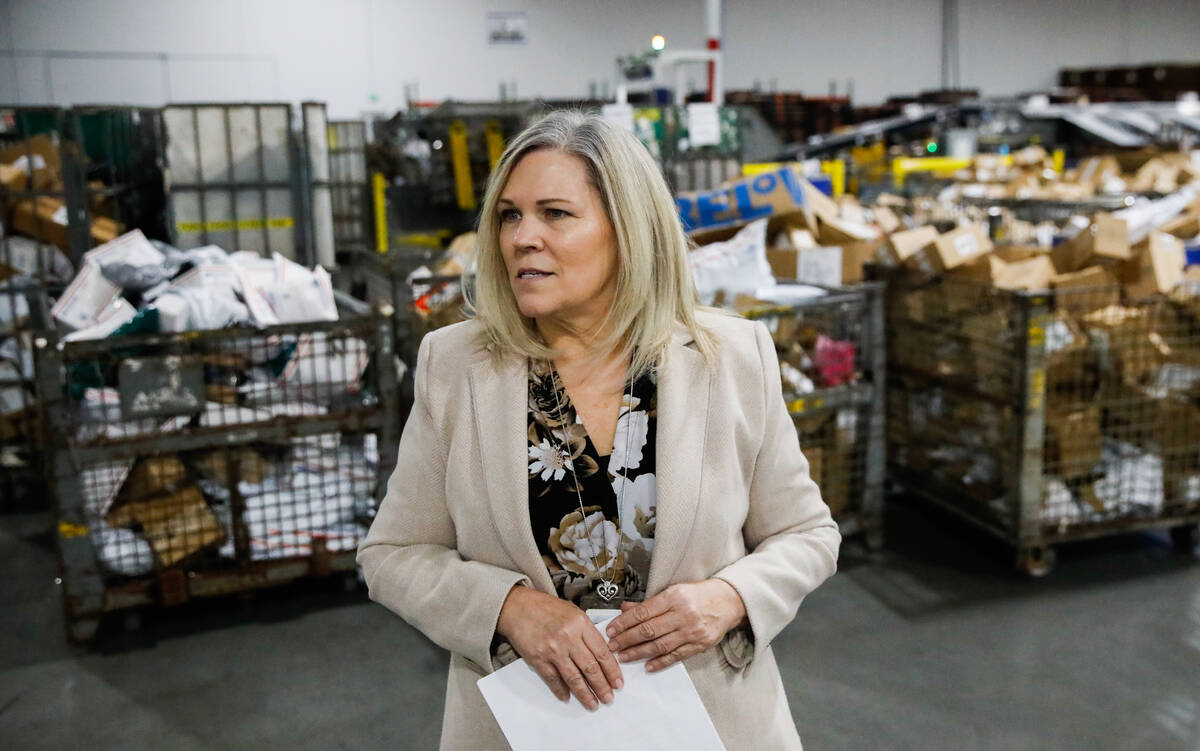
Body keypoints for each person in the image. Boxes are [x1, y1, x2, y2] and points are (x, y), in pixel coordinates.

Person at [358, 110, 840, 750]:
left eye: (555, 213)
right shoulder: (456, 367)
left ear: (629, 230)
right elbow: (392, 556)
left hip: (707, 722)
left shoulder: (730, 356)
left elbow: (807, 534)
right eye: (509, 215)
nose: (522, 237)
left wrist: (730, 596)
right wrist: (506, 608)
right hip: (527, 724)